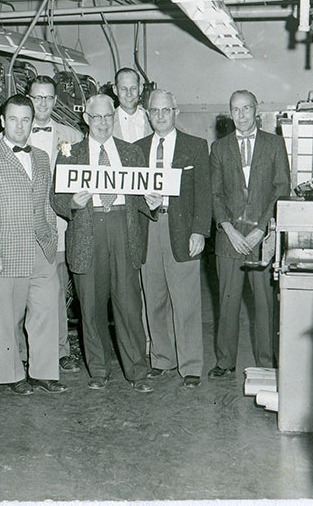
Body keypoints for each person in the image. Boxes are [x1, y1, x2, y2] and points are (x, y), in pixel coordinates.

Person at [51, 94, 154, 392]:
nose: (102, 123)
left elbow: (143, 197)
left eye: (108, 116)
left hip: (123, 228)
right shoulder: (70, 153)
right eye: (96, 117)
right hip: (88, 230)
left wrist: (154, 202)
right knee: (92, 308)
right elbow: (55, 198)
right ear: (86, 119)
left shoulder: (130, 152)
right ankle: (98, 371)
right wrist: (71, 201)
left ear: (114, 117)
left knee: (129, 305)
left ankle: (137, 372)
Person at [0, 94, 66, 395]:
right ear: (2, 121)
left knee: (46, 312)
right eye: (14, 119)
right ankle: (12, 376)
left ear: (32, 123)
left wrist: (51, 234)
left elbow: (46, 202)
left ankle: (44, 372)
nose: (20, 126)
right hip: (4, 254)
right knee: (7, 320)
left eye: (26, 120)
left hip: (41, 249)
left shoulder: (40, 156)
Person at [209, 90, 290, 378]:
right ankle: (225, 361)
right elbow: (214, 194)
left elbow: (281, 190)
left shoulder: (275, 144)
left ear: (256, 110)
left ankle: (267, 362)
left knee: (265, 305)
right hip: (229, 239)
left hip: (262, 239)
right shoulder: (219, 148)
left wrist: (261, 229)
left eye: (246, 109)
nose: (241, 115)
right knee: (227, 303)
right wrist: (228, 229)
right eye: (235, 109)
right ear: (229, 113)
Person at [136, 90, 212, 388]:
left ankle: (191, 365)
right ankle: (162, 359)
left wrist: (200, 231)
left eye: (166, 110)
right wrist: (145, 202)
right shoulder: (137, 149)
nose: (160, 116)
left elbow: (204, 194)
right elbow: (132, 195)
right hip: (150, 228)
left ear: (176, 111)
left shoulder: (195, 146)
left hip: (183, 230)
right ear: (147, 114)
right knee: (153, 298)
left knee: (187, 302)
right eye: (155, 111)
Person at [26, 75, 84, 373]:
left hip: (59, 226)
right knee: (27, 291)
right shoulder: (11, 133)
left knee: (58, 290)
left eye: (49, 97)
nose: (43, 103)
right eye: (37, 97)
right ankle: (28, 351)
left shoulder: (71, 136)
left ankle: (61, 350)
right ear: (29, 97)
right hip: (23, 229)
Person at [111, 67, 152, 142]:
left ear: (140, 88)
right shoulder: (108, 122)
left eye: (133, 88)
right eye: (123, 89)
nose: (129, 94)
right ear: (115, 90)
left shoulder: (152, 120)